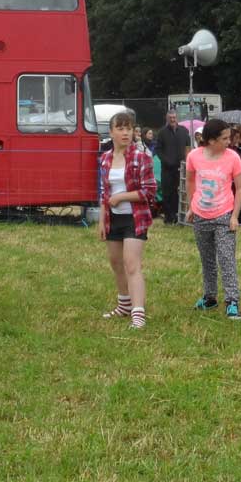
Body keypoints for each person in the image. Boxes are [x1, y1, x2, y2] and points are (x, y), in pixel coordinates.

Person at [98, 112, 157, 329]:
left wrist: (121, 197)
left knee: (132, 265)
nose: (125, 133)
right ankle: (124, 304)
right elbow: (104, 193)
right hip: (112, 219)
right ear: (111, 132)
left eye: (129, 129)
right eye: (120, 128)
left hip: (135, 218)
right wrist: (101, 220)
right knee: (116, 263)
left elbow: (149, 191)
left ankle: (138, 313)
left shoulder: (142, 158)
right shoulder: (104, 159)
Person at [184, 117, 241, 320]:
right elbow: (191, 181)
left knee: (226, 258)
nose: (229, 141)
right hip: (201, 215)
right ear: (211, 140)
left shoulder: (233, 158)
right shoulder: (194, 156)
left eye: (230, 138)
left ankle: (232, 301)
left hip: (224, 215)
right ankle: (210, 297)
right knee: (207, 259)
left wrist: (235, 216)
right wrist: (191, 206)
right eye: (225, 138)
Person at [156, 111, 191, 224]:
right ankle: (168, 217)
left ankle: (178, 216)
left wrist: (187, 161)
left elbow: (187, 147)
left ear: (177, 118)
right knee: (167, 193)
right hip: (166, 169)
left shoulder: (184, 131)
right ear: (167, 118)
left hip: (181, 168)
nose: (172, 119)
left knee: (179, 192)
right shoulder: (161, 133)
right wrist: (165, 160)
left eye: (174, 117)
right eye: (170, 117)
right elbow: (158, 150)